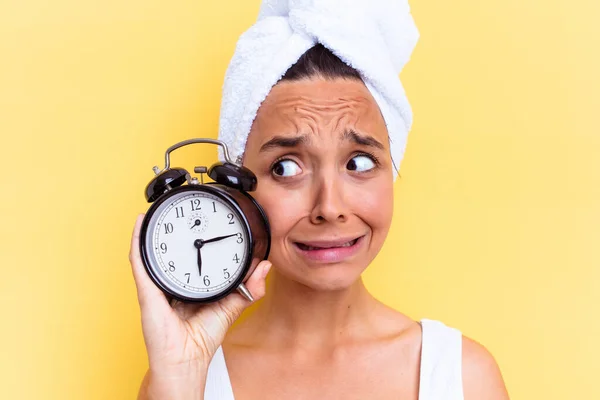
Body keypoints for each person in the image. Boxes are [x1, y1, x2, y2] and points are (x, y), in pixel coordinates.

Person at [129, 2, 510, 399]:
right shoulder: (187, 377)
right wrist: (179, 380)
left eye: (359, 162)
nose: (329, 208)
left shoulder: (462, 377)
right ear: (239, 189)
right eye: (285, 168)